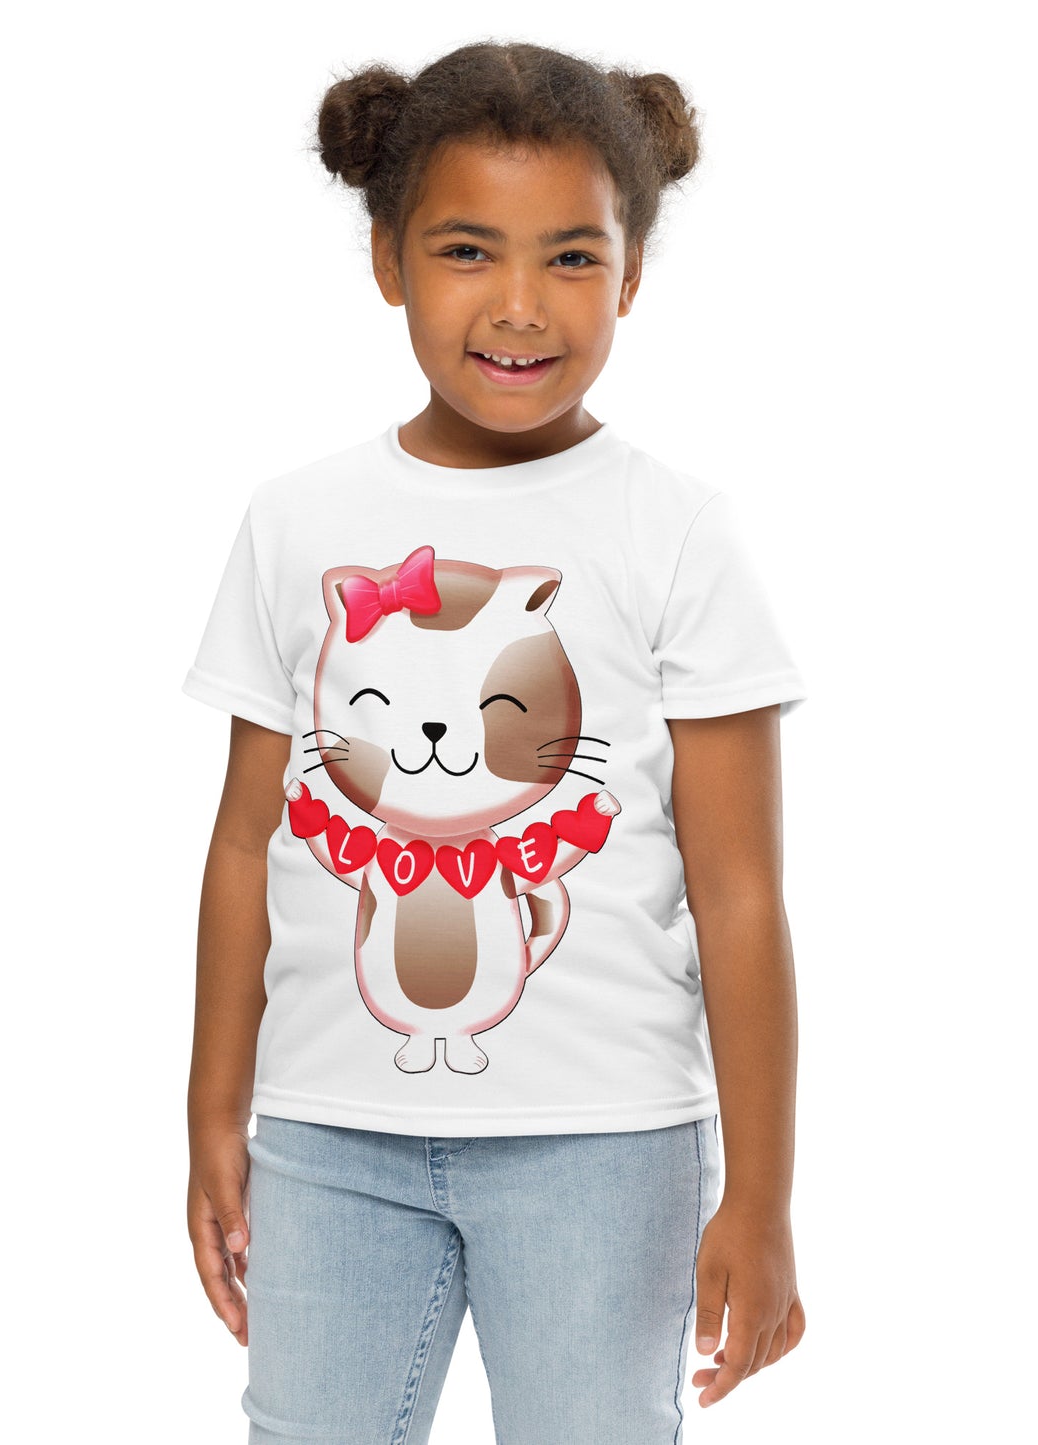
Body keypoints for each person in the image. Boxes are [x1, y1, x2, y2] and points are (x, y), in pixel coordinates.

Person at [182, 38, 808, 1444]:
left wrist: (761, 1198)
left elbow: (740, 893)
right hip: (329, 1138)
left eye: (572, 257)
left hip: (603, 1148)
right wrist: (215, 1108)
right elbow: (241, 843)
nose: (519, 305)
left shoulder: (674, 532)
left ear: (630, 275)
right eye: (467, 250)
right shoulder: (295, 523)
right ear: (387, 259)